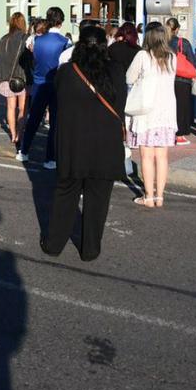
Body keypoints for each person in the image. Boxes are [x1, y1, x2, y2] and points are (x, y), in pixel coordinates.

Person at [42, 25, 126, 261]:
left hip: (72, 144)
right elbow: (120, 105)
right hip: (105, 145)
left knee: (65, 195)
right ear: (103, 46)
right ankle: (90, 248)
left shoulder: (67, 72)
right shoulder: (115, 70)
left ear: (79, 44)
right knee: (98, 200)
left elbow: (59, 103)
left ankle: (54, 243)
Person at [128, 23, 177, 208]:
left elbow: (129, 78)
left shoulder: (142, 55)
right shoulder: (172, 57)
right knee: (162, 157)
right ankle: (160, 196)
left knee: (147, 157)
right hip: (166, 113)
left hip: (146, 114)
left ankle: (148, 196)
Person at [16, 7, 69, 169]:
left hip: (38, 83)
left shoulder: (36, 40)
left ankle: (23, 151)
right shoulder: (65, 42)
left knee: (33, 119)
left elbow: (30, 50)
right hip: (56, 84)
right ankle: (50, 158)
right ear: (60, 22)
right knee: (54, 122)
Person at [0, 13, 30, 147]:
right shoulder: (26, 38)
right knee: (22, 109)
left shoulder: (4, 39)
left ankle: (13, 134)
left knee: (10, 108)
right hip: (23, 78)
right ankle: (20, 133)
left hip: (7, 78)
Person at [165, 18, 196, 146]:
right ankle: (180, 135)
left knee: (168, 107)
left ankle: (167, 133)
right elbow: (192, 60)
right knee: (182, 107)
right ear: (177, 29)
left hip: (166, 78)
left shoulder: (162, 42)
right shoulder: (182, 43)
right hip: (182, 79)